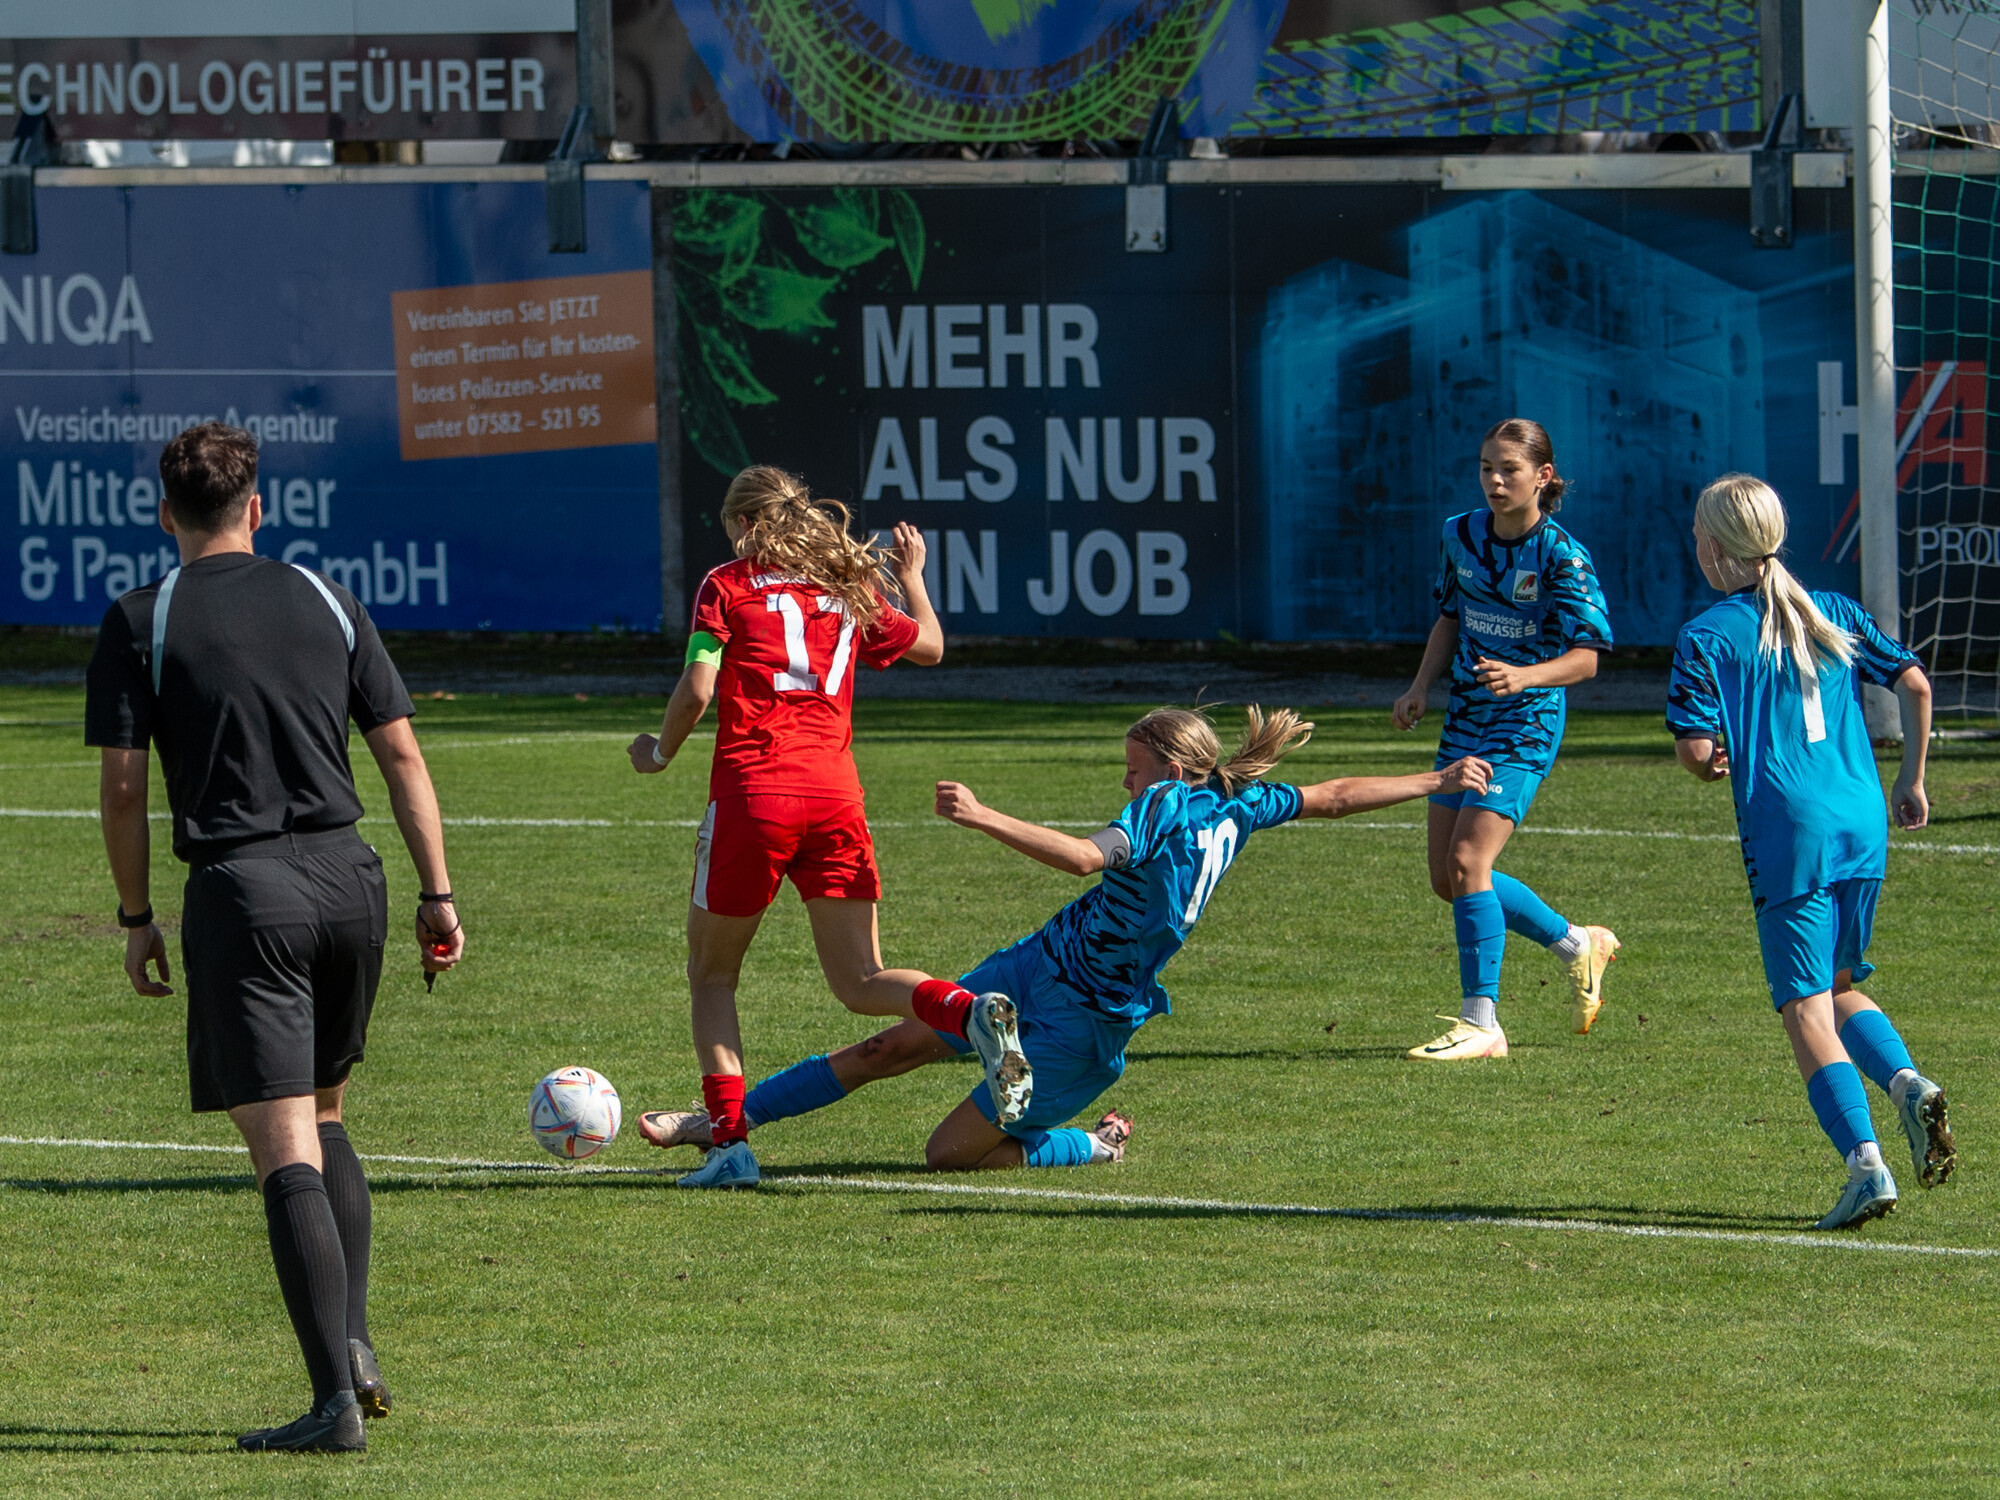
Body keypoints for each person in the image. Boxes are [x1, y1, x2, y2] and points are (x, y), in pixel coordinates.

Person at [640, 706, 1491, 1170]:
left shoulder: (1165, 807)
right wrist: (1435, 778)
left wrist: (983, 816)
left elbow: (1085, 858)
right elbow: (1333, 795)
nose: (1125, 781)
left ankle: (1094, 1141)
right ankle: (724, 1119)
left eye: (1131, 769)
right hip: (1039, 963)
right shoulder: (1238, 804)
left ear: (1169, 769)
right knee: (887, 1046)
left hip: (1090, 1020)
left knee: (951, 1155)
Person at [85, 422, 462, 1453]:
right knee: (327, 1115)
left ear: (164, 514)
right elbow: (402, 757)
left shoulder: (141, 617)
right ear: (257, 508)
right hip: (352, 880)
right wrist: (438, 893)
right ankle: (355, 1348)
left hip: (246, 892)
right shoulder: (327, 597)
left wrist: (135, 916)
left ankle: (334, 1405)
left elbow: (122, 791)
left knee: (283, 1142)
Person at [628, 465, 1004, 1191]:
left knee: (712, 975)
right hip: (835, 796)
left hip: (755, 796)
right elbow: (930, 647)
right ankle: (966, 1007)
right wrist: (912, 577)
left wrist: (659, 752)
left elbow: (698, 687)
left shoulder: (727, 584)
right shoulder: (846, 583)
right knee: (862, 980)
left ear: (744, 523)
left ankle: (729, 1147)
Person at [1667, 474, 1953, 1229]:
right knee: (1838, 982)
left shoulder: (1707, 635)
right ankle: (1908, 1086)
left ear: (1715, 545)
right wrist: (1912, 778)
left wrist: (1710, 761)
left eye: (1698, 534)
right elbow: (1916, 684)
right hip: (1862, 820)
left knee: (1803, 1007)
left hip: (1791, 833)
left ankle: (1865, 1166)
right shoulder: (1835, 611)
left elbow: (1696, 750)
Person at [1391, 418, 1620, 1061]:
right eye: (1486, 466)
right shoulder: (1459, 533)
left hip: (1526, 723)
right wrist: (1420, 686)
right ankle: (1578, 944)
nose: (1494, 480)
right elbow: (1449, 615)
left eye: (1509, 469)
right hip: (1466, 717)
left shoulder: (1562, 556)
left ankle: (1482, 1023)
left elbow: (1588, 658)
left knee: (1469, 863)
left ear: (1542, 477)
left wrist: (1524, 676)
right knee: (1449, 879)